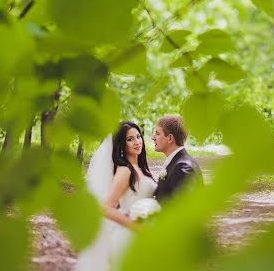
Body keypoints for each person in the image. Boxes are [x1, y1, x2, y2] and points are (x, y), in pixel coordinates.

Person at [76, 121, 157, 270]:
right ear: (122, 144)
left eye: (138, 137)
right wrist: (135, 226)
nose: (137, 142)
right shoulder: (125, 171)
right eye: (130, 139)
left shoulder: (141, 168)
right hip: (128, 235)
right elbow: (105, 208)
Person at [152, 115, 203, 202]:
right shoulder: (177, 163)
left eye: (157, 133)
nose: (153, 138)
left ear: (170, 138)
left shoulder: (183, 168)